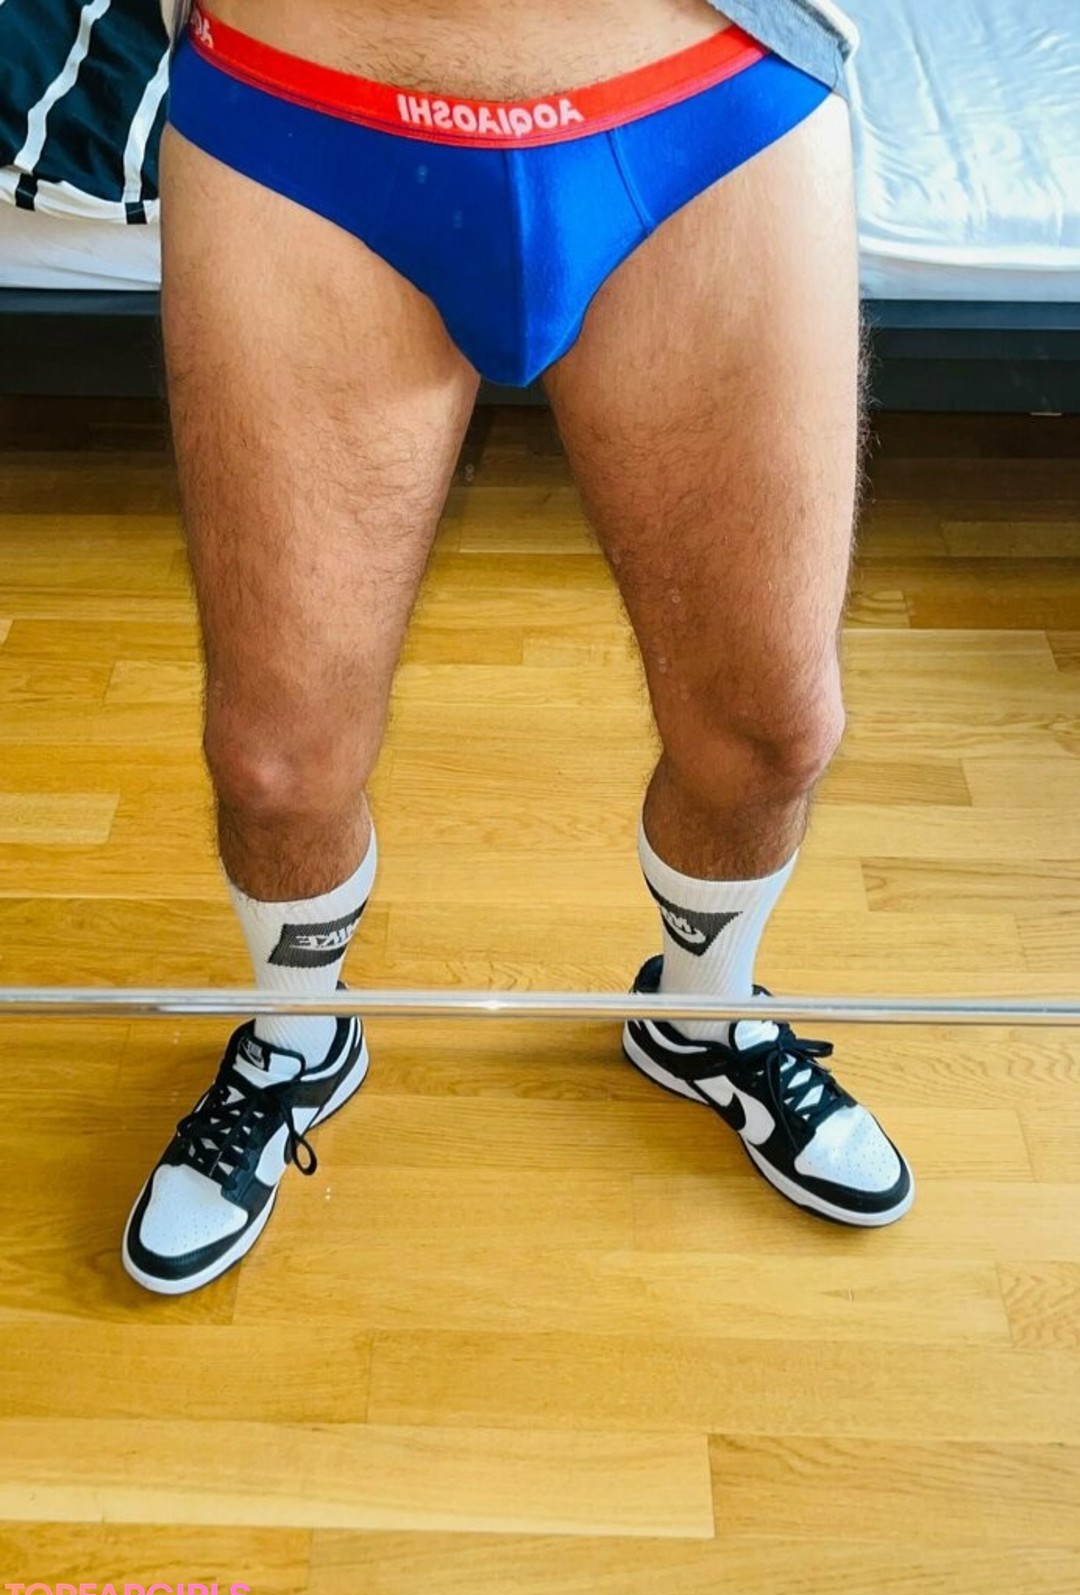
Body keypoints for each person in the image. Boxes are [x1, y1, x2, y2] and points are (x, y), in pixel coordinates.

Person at [122, 0, 913, 1296]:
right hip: (303, 102)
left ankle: (704, 1012)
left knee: (771, 732)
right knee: (276, 764)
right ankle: (297, 1037)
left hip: (702, 98)